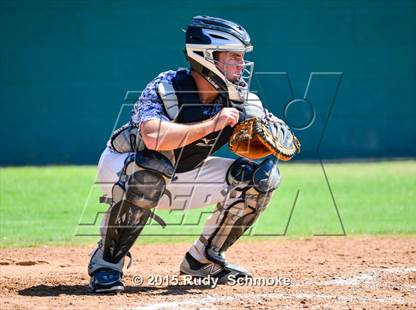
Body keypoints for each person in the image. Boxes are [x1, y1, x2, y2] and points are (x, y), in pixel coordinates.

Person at [88, 15, 281, 293]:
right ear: (206, 57)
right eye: (233, 57)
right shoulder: (167, 87)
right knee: (152, 169)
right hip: (124, 170)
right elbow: (153, 137)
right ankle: (106, 263)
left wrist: (270, 139)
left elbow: (269, 140)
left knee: (262, 178)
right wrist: (212, 125)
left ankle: (203, 260)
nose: (241, 65)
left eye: (241, 58)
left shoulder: (240, 99)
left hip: (183, 174)